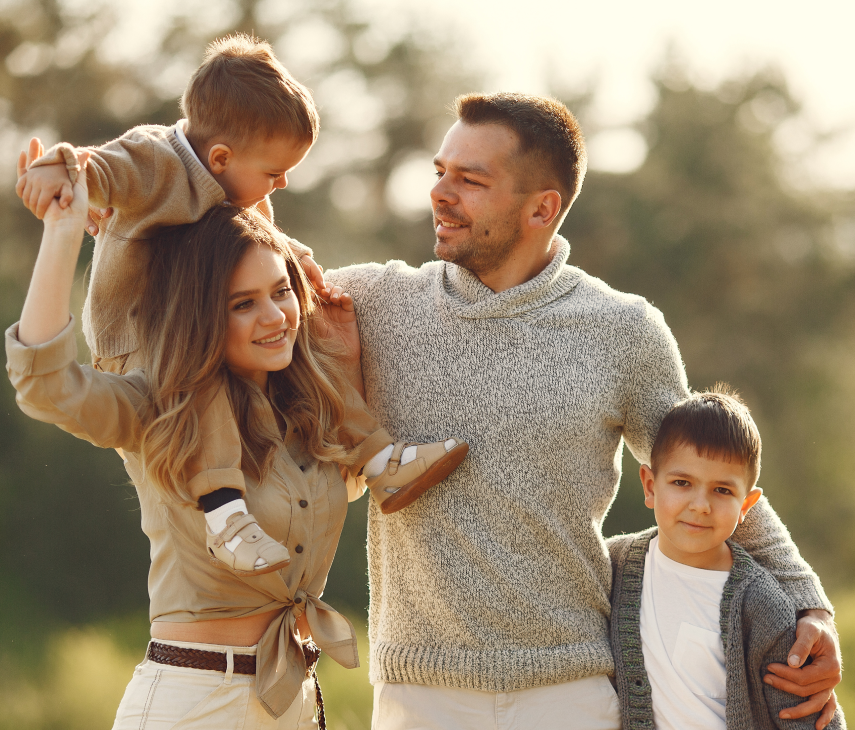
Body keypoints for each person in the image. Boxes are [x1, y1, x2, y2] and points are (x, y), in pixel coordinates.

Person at [324, 92, 843, 729]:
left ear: (543, 207)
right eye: (440, 172)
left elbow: (706, 475)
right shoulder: (372, 300)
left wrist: (811, 606)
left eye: (470, 180)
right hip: (422, 695)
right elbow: (246, 273)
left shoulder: (622, 329)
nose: (439, 192)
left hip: (571, 692)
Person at [6, 150, 469, 727]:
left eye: (281, 291)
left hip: (292, 696)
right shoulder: (159, 406)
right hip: (195, 699)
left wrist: (345, 357)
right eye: (243, 304)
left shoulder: (304, 412)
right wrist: (63, 230)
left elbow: (346, 487)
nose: (275, 316)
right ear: (201, 316)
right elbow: (46, 387)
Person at [14, 33, 468, 577]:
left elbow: (254, 238)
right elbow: (100, 169)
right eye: (274, 172)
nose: (282, 182)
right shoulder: (156, 160)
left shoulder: (237, 182)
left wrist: (299, 267)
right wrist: (57, 174)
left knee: (309, 343)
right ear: (221, 157)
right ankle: (225, 514)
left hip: (204, 329)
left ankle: (378, 458)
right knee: (203, 379)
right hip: (141, 341)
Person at [608, 386, 846, 729]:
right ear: (649, 485)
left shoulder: (762, 605)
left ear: (746, 506)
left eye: (722, 490)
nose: (700, 505)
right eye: (681, 482)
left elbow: (807, 716)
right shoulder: (615, 564)